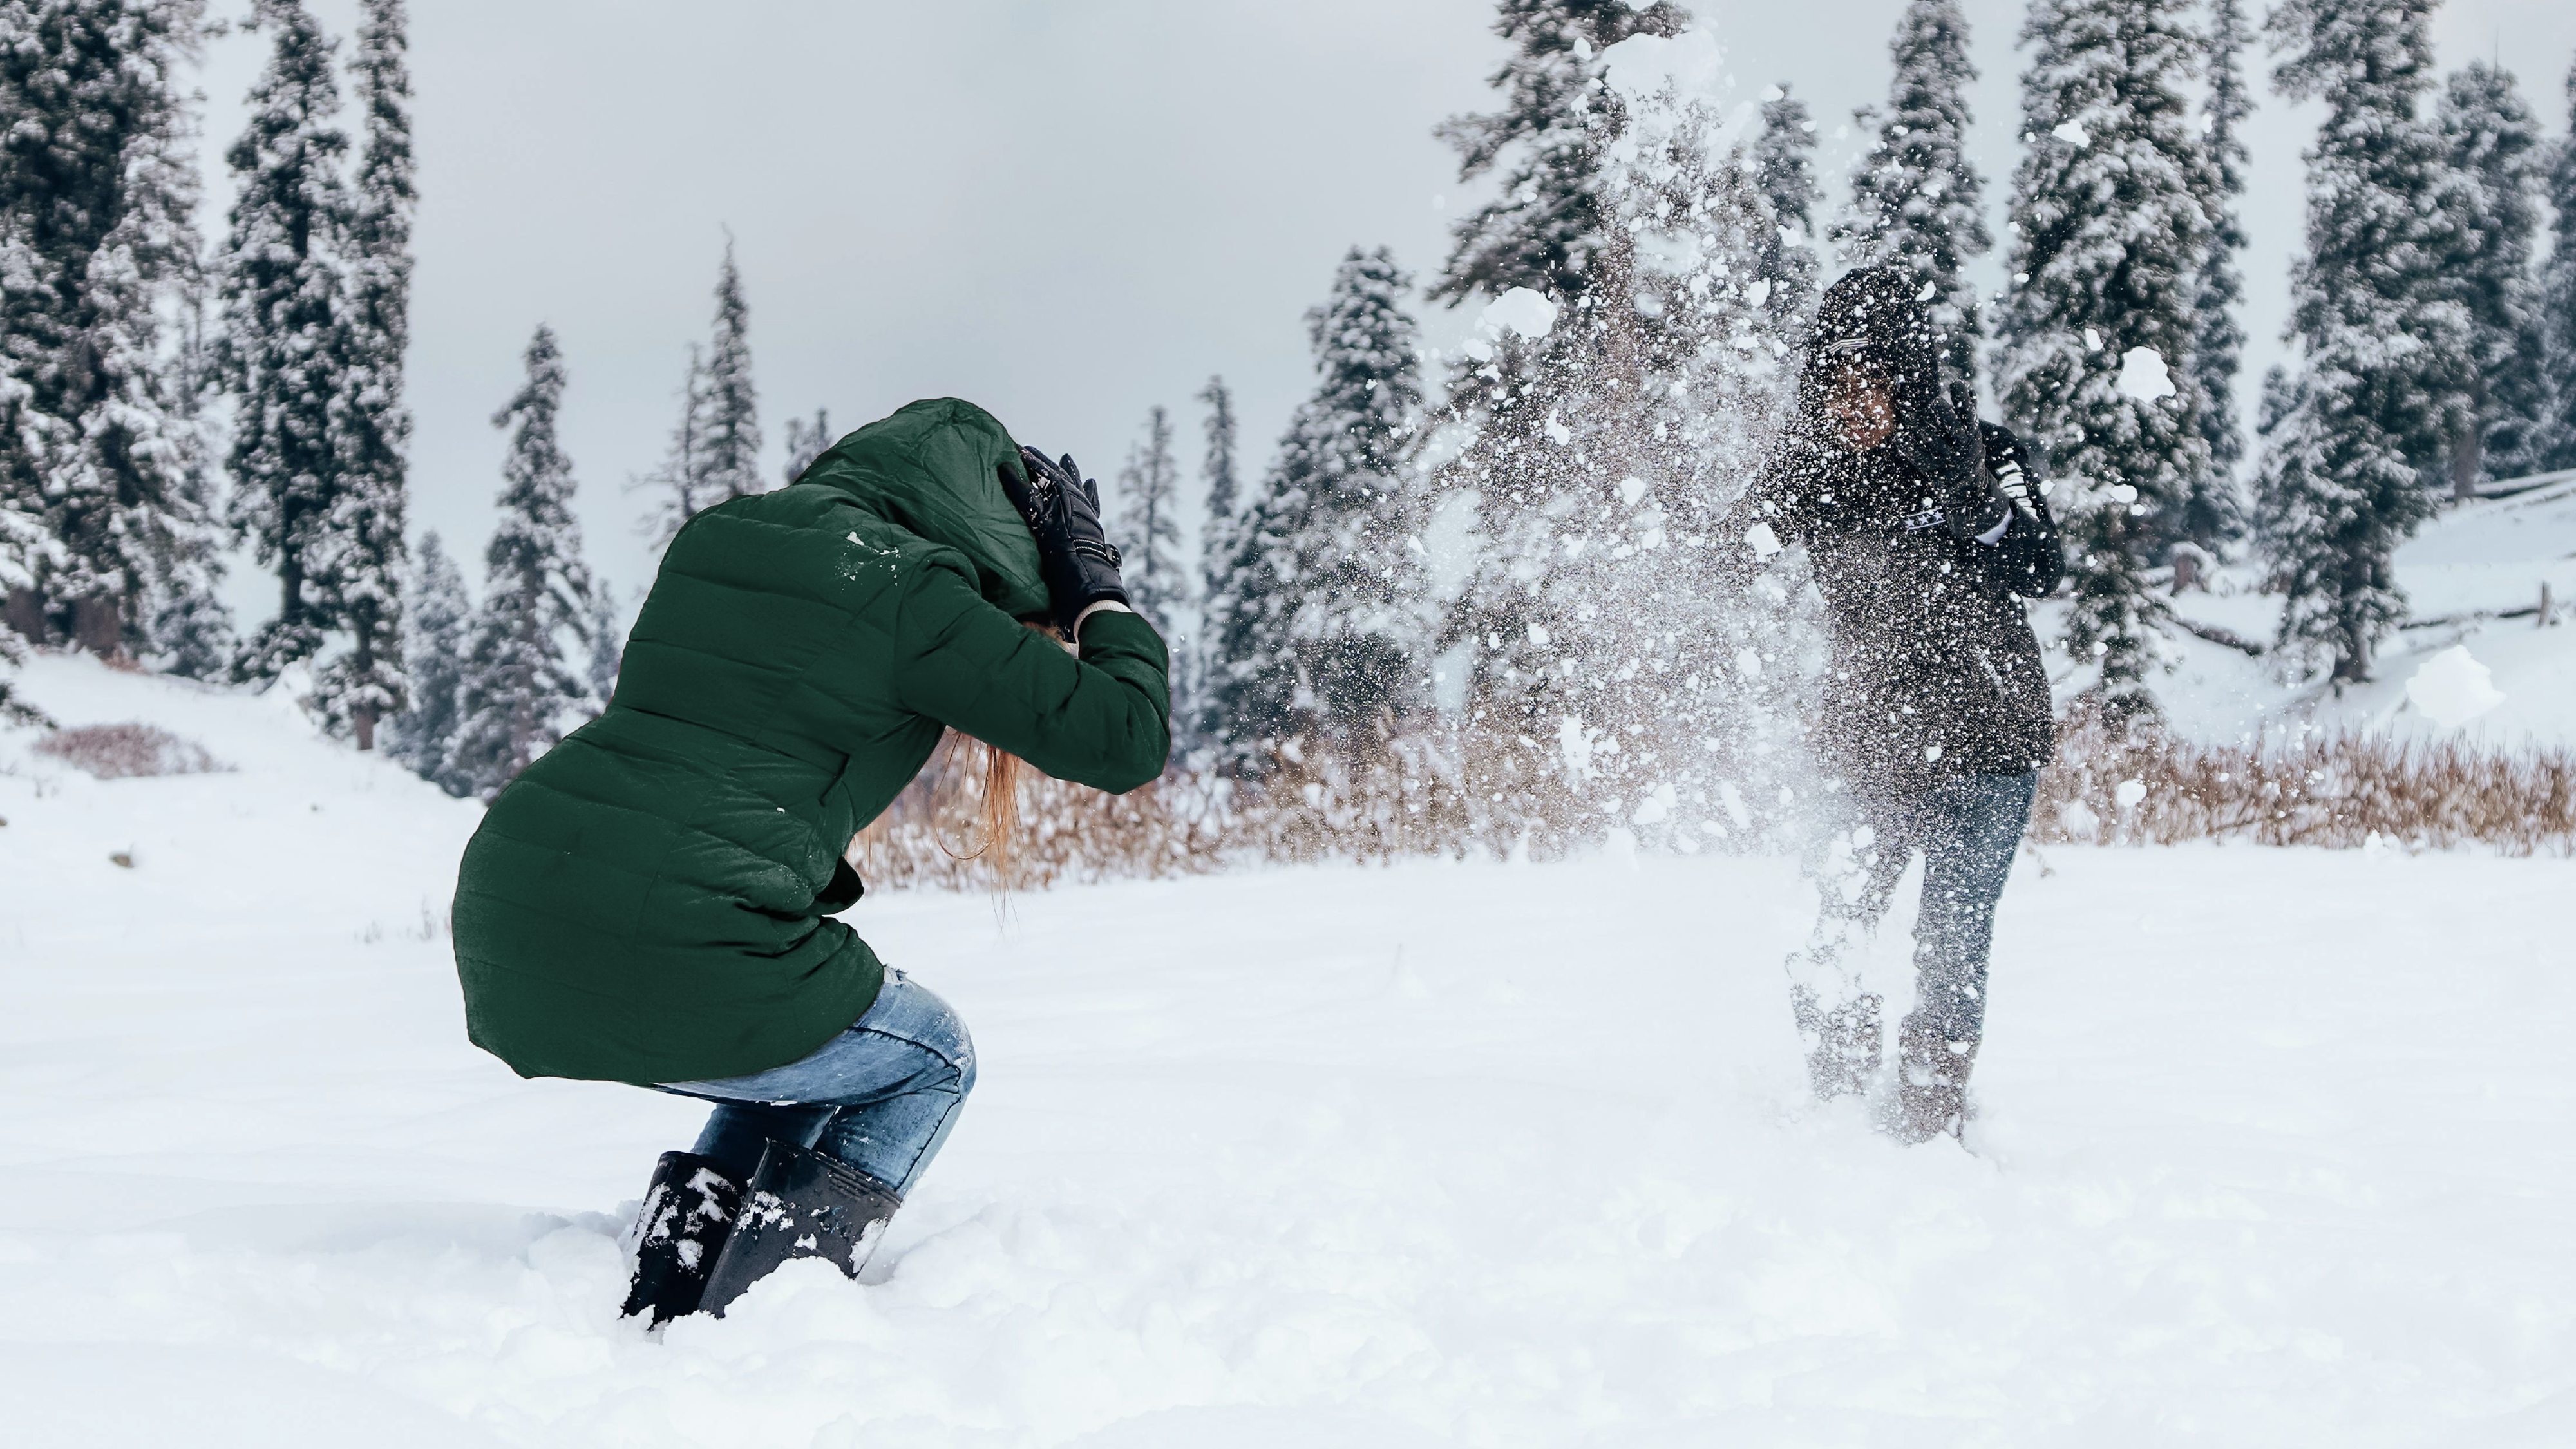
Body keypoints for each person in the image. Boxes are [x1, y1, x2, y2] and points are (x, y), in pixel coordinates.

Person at [449, 398, 1170, 1322]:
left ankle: (676, 1270)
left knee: (807, 1052)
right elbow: (1127, 738)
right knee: (930, 1057)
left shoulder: (720, 537)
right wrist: (1096, 590)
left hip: (514, 903)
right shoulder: (916, 592)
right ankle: (766, 1305)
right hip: (684, 930)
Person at [1716, 267, 2065, 1143]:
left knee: (1948, 947)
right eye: (1836, 381)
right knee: (1827, 929)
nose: (1854, 401)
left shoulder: (1987, 450)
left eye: (1873, 379)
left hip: (1988, 745)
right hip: (1866, 745)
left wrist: (1965, 490)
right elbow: (1725, 558)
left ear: (1909, 379)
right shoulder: (1812, 471)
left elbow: (2041, 567)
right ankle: (1838, 1116)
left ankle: (1927, 1118)